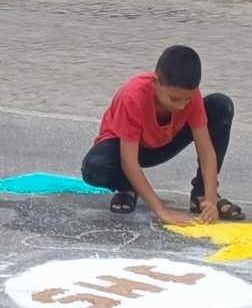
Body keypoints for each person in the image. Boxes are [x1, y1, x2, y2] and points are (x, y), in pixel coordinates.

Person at [79, 44, 241, 223]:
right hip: (122, 149)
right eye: (174, 99)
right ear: (156, 83)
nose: (181, 106)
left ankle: (200, 196)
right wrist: (161, 210)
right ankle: (127, 186)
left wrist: (210, 199)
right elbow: (129, 161)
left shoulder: (190, 97)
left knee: (220, 105)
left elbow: (206, 151)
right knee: (95, 168)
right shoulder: (133, 97)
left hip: (163, 143)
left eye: (188, 99)